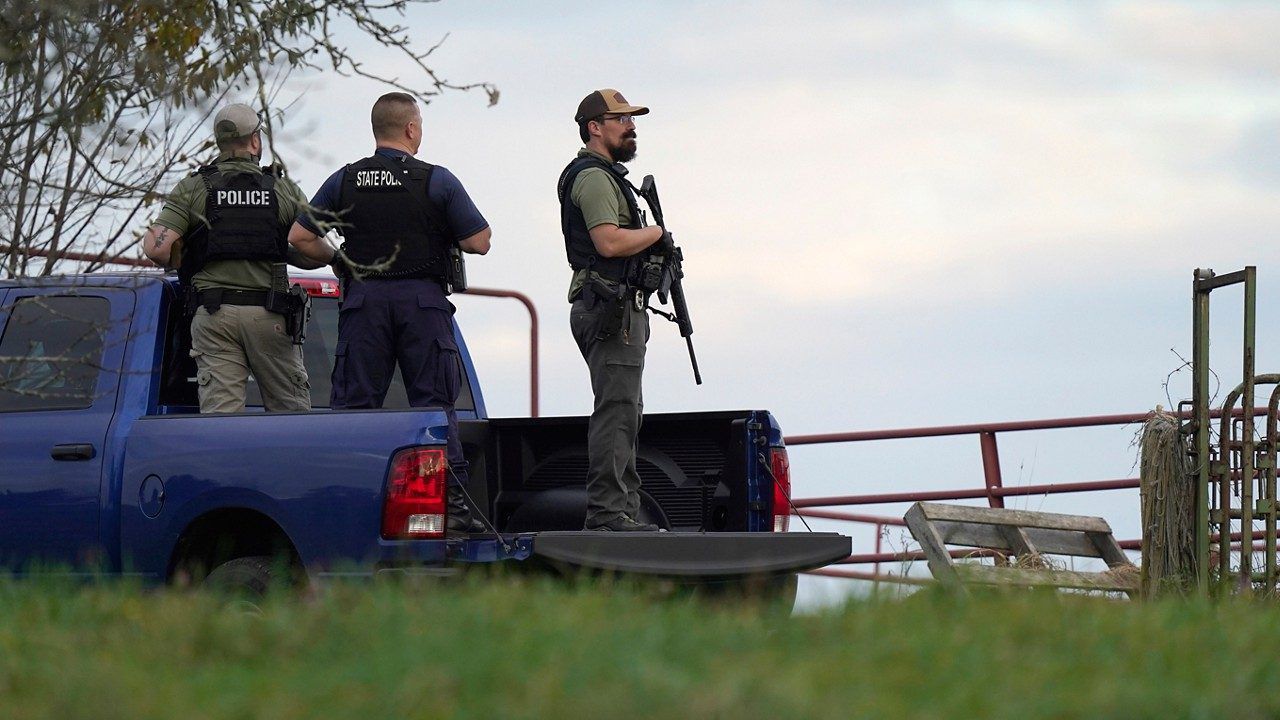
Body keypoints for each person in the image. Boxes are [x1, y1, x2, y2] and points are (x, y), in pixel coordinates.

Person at [288, 91, 491, 534]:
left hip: (364, 304)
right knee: (433, 408)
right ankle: (450, 510)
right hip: (422, 304)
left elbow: (299, 237)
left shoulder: (345, 180)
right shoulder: (436, 180)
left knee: (355, 408)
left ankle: (344, 508)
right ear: (412, 129)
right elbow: (479, 240)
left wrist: (338, 260)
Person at [142, 103, 314, 414]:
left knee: (220, 421)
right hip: (270, 315)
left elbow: (157, 249)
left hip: (214, 316)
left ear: (219, 142)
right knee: (292, 418)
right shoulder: (282, 189)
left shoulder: (195, 187)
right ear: (256, 140)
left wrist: (192, 250)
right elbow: (310, 248)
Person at [557, 89, 670, 532]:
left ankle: (621, 510)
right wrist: (657, 232)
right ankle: (609, 515)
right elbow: (608, 241)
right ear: (595, 127)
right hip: (609, 309)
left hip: (614, 308)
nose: (631, 126)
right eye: (621, 118)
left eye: (631, 118)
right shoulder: (595, 178)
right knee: (618, 411)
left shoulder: (606, 176)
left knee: (626, 411)